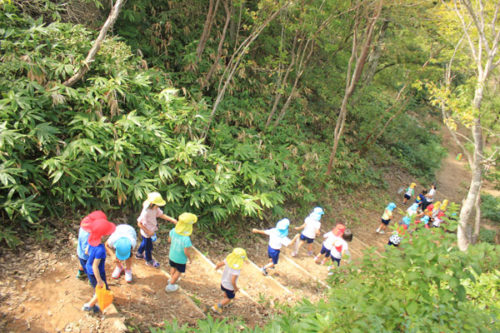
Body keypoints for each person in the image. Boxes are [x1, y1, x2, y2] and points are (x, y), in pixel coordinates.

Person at [81, 215, 116, 313]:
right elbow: (95, 266)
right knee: (101, 289)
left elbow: (87, 251)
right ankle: (89, 305)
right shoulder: (101, 250)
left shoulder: (91, 239)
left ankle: (98, 292)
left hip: (89, 268)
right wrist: (99, 280)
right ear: (103, 236)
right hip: (96, 272)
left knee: (99, 286)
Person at [136, 192, 177, 268]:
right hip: (147, 232)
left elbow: (161, 215)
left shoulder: (155, 208)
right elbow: (139, 223)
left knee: (145, 242)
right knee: (148, 247)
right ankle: (149, 260)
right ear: (152, 204)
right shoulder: (146, 212)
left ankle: (139, 254)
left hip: (150, 230)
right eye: (157, 205)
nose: (158, 206)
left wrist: (171, 219)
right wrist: (148, 231)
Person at [165, 213, 197, 292]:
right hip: (180, 259)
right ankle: (171, 285)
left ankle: (171, 279)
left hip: (172, 255)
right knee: (178, 272)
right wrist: (189, 258)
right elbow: (186, 251)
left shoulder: (173, 231)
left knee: (173, 267)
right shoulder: (186, 239)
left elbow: (169, 240)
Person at [211, 248, 247, 314]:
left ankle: (224, 300)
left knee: (225, 293)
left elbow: (219, 264)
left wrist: (216, 268)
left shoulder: (228, 260)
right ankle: (216, 307)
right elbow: (232, 281)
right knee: (229, 298)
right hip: (229, 287)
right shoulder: (236, 270)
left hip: (223, 282)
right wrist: (235, 288)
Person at [77, 211, 106, 280]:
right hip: (86, 256)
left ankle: (81, 274)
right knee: (91, 269)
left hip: (81, 253)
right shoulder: (86, 236)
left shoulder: (84, 227)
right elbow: (86, 251)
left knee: (82, 264)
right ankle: (92, 279)